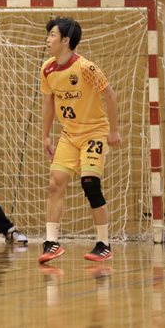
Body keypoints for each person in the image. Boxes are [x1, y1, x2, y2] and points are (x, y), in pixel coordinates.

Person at [39, 17, 121, 264]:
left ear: (66, 41)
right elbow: (48, 103)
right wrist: (45, 135)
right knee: (55, 183)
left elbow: (110, 96)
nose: (48, 39)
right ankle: (51, 243)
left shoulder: (87, 68)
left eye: (52, 35)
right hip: (69, 135)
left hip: (94, 132)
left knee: (89, 183)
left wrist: (114, 131)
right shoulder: (47, 69)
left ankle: (103, 244)